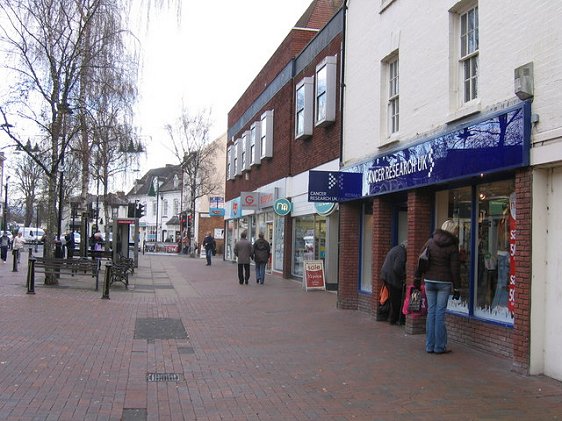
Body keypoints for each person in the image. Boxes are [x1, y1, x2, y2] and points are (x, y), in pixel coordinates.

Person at [416, 219, 460, 354]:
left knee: (431, 312)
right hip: (444, 283)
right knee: (440, 314)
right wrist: (457, 287)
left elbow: (421, 260)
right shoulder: (452, 247)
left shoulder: (430, 242)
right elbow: (455, 269)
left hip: (429, 280)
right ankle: (439, 346)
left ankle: (429, 346)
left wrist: (416, 278)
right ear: (453, 231)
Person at [380, 241, 407, 325]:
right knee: (396, 299)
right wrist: (403, 276)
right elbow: (397, 268)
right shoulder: (402, 252)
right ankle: (393, 319)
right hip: (392, 278)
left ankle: (390, 317)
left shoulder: (395, 249)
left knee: (390, 297)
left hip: (386, 275)